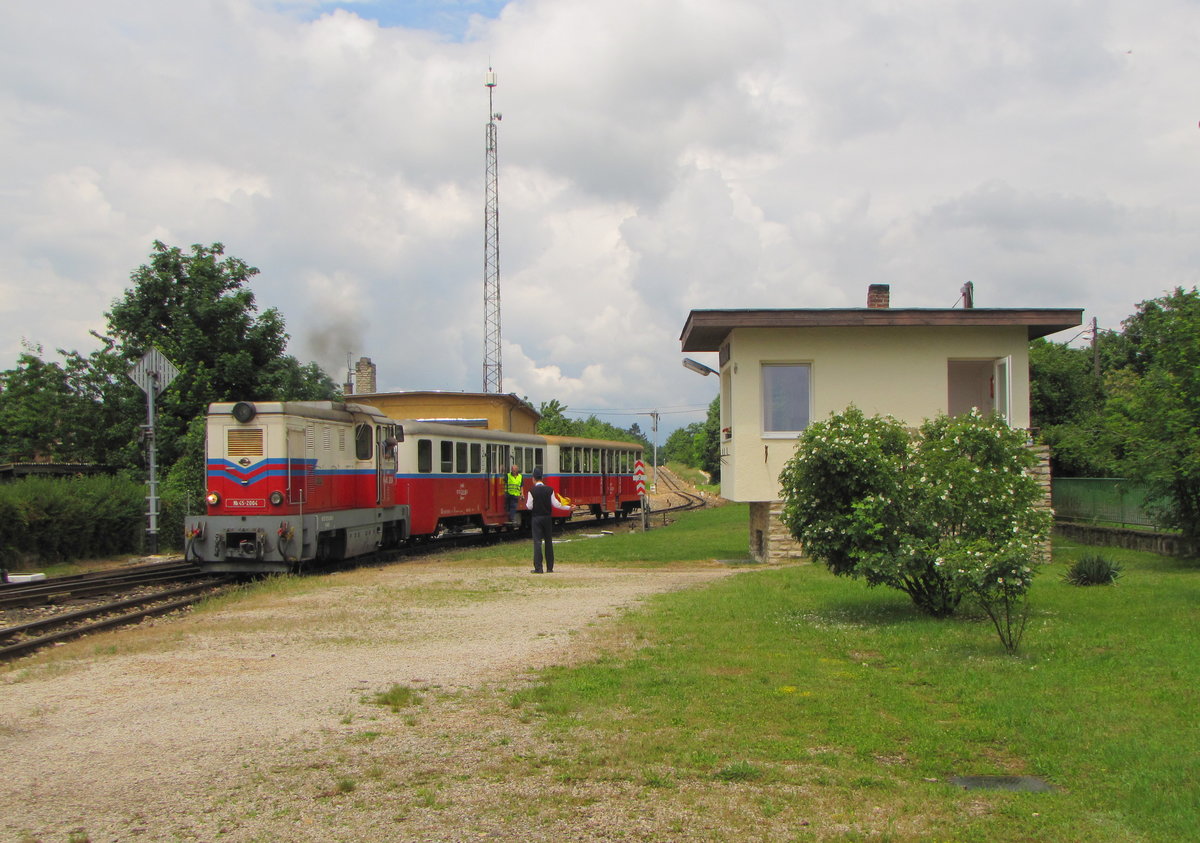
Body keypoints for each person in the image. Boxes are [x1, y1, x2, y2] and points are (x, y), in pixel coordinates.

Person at [524, 467, 565, 573]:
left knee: (537, 542)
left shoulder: (531, 491)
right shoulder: (549, 489)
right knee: (548, 541)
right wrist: (569, 508)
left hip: (536, 518)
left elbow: (529, 506)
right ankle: (550, 567)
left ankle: (538, 567)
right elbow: (556, 504)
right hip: (547, 518)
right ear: (542, 478)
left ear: (533, 479)